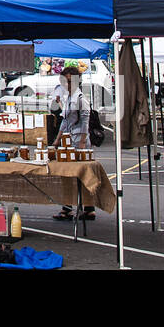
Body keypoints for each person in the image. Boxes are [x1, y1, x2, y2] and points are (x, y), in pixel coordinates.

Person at [50, 65, 94, 221]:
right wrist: (57, 140)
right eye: (64, 81)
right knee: (68, 175)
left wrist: (82, 144)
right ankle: (68, 207)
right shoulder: (68, 98)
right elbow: (64, 121)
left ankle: (88, 208)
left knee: (81, 175)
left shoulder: (81, 99)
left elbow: (85, 123)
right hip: (69, 141)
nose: (66, 85)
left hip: (79, 142)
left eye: (69, 81)